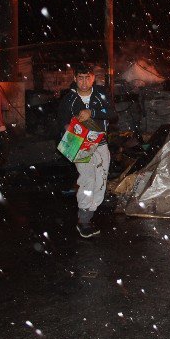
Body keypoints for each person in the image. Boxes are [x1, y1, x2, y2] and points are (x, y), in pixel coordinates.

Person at [57, 65, 117, 238]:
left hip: (101, 143)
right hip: (79, 143)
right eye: (80, 77)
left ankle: (89, 213)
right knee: (87, 179)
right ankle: (84, 220)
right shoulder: (68, 99)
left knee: (101, 179)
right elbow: (61, 120)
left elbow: (112, 114)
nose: (84, 81)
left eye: (87, 77)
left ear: (93, 78)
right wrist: (67, 127)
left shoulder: (101, 94)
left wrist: (92, 112)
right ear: (75, 79)